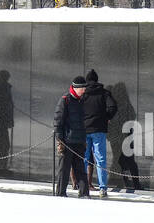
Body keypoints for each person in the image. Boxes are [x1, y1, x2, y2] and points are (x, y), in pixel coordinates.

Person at [80, 68, 117, 198]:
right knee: (101, 159)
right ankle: (103, 188)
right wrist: (106, 118)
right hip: (99, 130)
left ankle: (82, 186)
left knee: (83, 159)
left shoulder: (83, 93)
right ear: (96, 80)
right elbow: (112, 107)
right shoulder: (104, 93)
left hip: (84, 129)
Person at [53, 75, 89, 197]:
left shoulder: (82, 101)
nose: (84, 90)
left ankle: (84, 194)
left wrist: (84, 140)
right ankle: (61, 193)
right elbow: (58, 121)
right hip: (67, 142)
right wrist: (60, 140)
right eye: (82, 88)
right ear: (76, 88)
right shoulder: (65, 100)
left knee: (81, 170)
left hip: (79, 141)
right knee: (64, 169)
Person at [108, 81, 141, 193]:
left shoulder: (120, 105)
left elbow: (117, 120)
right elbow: (132, 117)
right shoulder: (125, 104)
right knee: (126, 161)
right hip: (124, 137)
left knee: (124, 161)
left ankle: (128, 182)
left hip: (122, 137)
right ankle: (129, 182)